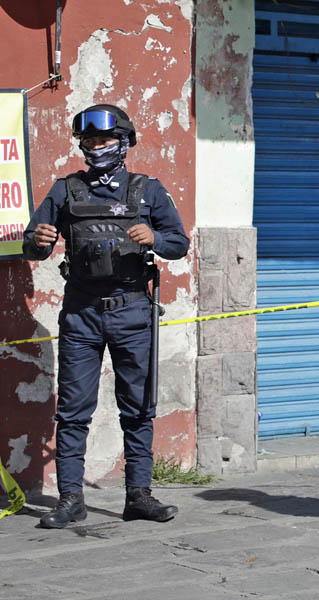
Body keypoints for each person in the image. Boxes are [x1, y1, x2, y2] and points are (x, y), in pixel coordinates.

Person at [22, 104, 189, 528]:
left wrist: (155, 237)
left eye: (105, 141)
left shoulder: (148, 190)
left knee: (137, 408)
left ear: (124, 143)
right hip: (80, 315)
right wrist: (38, 241)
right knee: (74, 411)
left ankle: (139, 496)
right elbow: (34, 243)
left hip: (132, 311)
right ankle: (71, 500)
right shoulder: (65, 190)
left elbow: (178, 242)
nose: (97, 148)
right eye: (90, 142)